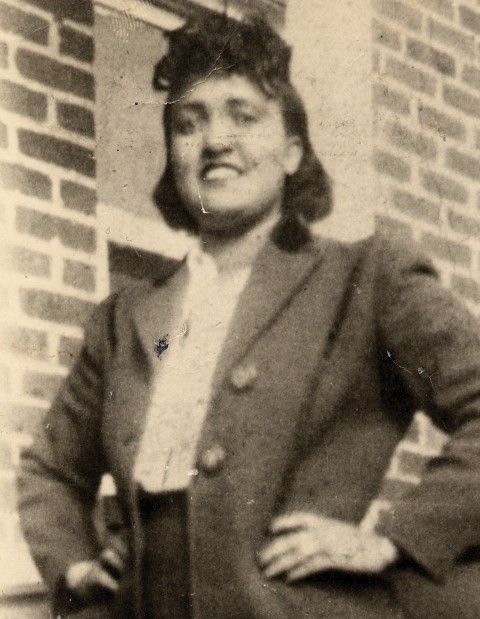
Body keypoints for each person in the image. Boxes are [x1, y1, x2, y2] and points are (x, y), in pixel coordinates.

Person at [17, 11, 480, 619]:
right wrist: (74, 567)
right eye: (189, 123)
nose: (215, 141)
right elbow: (50, 469)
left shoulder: (367, 280)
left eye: (244, 114)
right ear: (173, 156)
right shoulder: (124, 319)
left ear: (292, 152)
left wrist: (391, 541)